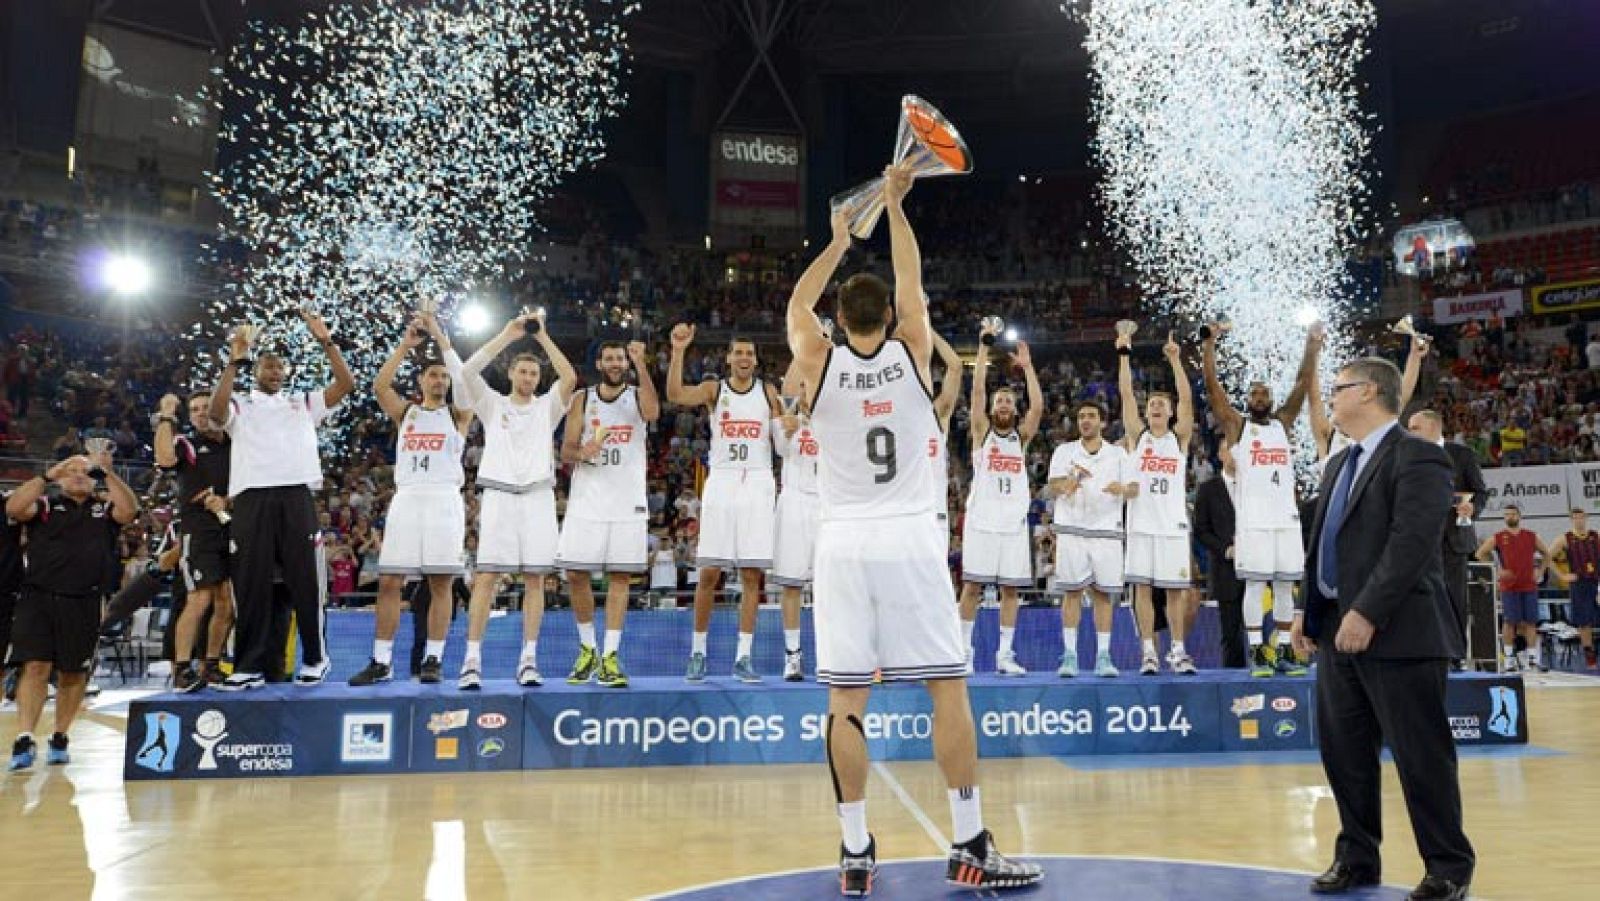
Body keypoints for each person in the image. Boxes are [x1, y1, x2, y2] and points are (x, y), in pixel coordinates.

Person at [787, 168, 1041, 894]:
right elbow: (913, 287)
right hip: (909, 536)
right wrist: (897, 207)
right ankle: (969, 841)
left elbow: (798, 303)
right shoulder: (910, 352)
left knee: (844, 702)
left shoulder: (816, 360)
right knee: (947, 688)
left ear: (839, 320)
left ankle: (855, 849)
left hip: (841, 541)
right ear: (889, 320)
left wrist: (838, 242)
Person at [1292, 356, 1474, 901]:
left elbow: (1412, 544)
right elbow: (1322, 544)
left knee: (1421, 756)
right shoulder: (1337, 464)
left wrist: (1367, 610)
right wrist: (1308, 606)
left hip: (1400, 633)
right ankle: (1356, 857)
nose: (1332, 397)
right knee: (1344, 753)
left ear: (1369, 391)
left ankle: (1448, 867)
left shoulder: (1418, 456)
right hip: (1336, 634)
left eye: (1340, 388)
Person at [208, 311, 355, 690]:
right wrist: (233, 361)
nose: (274, 371)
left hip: (295, 494)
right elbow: (214, 411)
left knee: (305, 582)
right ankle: (247, 666)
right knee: (250, 585)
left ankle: (315, 658)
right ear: (255, 370)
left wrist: (326, 340)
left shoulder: (303, 403)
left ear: (287, 373)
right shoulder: (241, 404)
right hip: (251, 499)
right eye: (267, 366)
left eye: (279, 367)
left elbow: (346, 383)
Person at [453, 310, 576, 689]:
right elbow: (466, 373)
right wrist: (507, 336)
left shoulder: (547, 407)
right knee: (487, 577)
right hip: (501, 496)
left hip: (538, 497)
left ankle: (528, 660)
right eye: (523, 372)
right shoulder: (491, 405)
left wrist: (542, 338)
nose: (529, 377)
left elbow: (569, 377)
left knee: (536, 580)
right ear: (511, 374)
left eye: (534, 373)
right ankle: (471, 661)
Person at [348, 318, 473, 686]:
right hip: (407, 500)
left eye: (443, 376)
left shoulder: (458, 414)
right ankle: (381, 661)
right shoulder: (407, 412)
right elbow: (379, 385)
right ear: (421, 381)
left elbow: (465, 385)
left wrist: (441, 340)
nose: (440, 381)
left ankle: (433, 658)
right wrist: (405, 346)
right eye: (432, 375)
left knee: (440, 583)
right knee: (389, 582)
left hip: (443, 500)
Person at [7, 451, 139, 769]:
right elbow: (13, 508)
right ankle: (25, 736)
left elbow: (130, 510)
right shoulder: (46, 506)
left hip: (85, 601)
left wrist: (106, 472)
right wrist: (47, 476)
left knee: (73, 672)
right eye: (72, 471)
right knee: (35, 667)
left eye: (85, 471)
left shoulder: (104, 509)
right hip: (39, 597)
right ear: (61, 477)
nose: (79, 475)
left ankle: (60, 736)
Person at [1202, 321, 1316, 676]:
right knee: (1254, 584)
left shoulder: (1283, 422)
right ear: (1248, 401)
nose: (1260, 398)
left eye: (1264, 394)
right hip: (1252, 522)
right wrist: (1209, 347)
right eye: (1254, 395)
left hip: (1286, 520)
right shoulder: (1238, 426)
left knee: (1285, 586)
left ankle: (1281, 650)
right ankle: (1257, 652)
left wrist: (1312, 346)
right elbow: (1213, 389)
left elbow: (1301, 383)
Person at [666, 325, 780, 683]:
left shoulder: (769, 392)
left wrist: (790, 424)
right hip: (723, 480)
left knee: (751, 575)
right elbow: (675, 394)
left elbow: (783, 439)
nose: (744, 358)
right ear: (728, 358)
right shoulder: (715, 388)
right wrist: (679, 350)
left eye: (749, 353)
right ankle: (697, 652)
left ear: (756, 360)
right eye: (738, 353)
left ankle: (743, 657)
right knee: (709, 574)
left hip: (758, 480)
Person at [557, 340, 660, 689]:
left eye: (621, 359)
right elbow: (566, 451)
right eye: (610, 358)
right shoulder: (582, 399)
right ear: (599, 362)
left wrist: (641, 364)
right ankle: (588, 648)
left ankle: (611, 657)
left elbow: (653, 412)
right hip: (588, 499)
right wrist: (583, 452)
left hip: (627, 500)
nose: (617, 363)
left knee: (620, 578)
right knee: (575, 574)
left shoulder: (636, 393)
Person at [958, 326, 1042, 676]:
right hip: (981, 523)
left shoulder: (1020, 438)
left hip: (1011, 526)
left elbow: (1037, 406)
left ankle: (1004, 655)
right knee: (972, 588)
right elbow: (977, 390)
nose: (1004, 404)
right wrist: (982, 349)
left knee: (1011, 591)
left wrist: (1028, 367)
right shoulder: (982, 432)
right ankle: (963, 652)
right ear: (992, 409)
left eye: (1008, 401)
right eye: (1000, 401)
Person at [1117, 330, 1197, 675]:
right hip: (1141, 524)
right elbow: (1125, 393)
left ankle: (1178, 652)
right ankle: (1148, 652)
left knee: (1175, 591)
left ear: (1169, 412)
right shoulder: (1138, 436)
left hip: (1172, 525)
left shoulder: (1180, 438)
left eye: (1162, 404)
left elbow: (1187, 399)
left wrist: (1176, 359)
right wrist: (1124, 352)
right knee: (1142, 589)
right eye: (1152, 404)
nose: (1156, 407)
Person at [153, 391, 234, 692]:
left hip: (234, 528)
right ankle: (182, 668)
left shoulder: (238, 443)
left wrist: (227, 501)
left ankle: (211, 664)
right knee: (199, 599)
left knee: (227, 602)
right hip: (199, 531)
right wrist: (166, 414)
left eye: (206, 408)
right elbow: (163, 458)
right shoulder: (186, 444)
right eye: (195, 410)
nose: (201, 414)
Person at [1047, 401, 1129, 678]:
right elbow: (1052, 485)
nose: (1085, 420)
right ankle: (1070, 656)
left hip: (1106, 531)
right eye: (1081, 416)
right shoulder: (1064, 451)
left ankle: (1103, 656)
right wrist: (1064, 485)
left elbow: (1133, 488)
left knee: (1103, 594)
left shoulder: (1117, 454)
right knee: (1071, 593)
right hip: (1072, 530)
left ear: (1102, 422)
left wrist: (1123, 489)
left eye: (1091, 416)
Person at [1407, 409, 1487, 669]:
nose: (1410, 432)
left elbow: (1480, 492)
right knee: (1421, 598)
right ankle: (1425, 652)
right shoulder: (1408, 456)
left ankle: (1455, 656)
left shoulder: (1462, 455)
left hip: (1453, 540)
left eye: (1414, 427)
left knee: (1454, 598)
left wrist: (1473, 508)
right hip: (1419, 540)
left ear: (1433, 427)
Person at [770, 360, 822, 681]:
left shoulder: (833, 421)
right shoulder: (786, 419)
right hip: (793, 501)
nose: (806, 391)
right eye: (802, 385)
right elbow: (780, 449)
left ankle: (832, 654)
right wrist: (788, 431)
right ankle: (792, 656)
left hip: (827, 505)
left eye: (811, 385)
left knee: (829, 586)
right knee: (791, 584)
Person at [1475, 504, 1568, 673]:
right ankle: (1510, 660)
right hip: (1509, 587)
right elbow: (1479, 553)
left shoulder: (1531, 536)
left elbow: (1547, 554)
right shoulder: (1498, 537)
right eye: (1506, 514)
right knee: (1510, 622)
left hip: (1528, 586)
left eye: (1512, 514)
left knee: (1531, 622)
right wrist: (1497, 570)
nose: (1509, 516)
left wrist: (1540, 571)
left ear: (1519, 516)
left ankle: (1533, 659)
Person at [1193, 441, 1245, 668]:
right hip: (1226, 571)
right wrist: (1225, 549)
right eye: (1231, 450)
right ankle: (1235, 687)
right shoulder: (1208, 490)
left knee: (1262, 632)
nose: (1237, 456)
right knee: (1231, 633)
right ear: (1221, 454)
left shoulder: (1255, 486)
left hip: (1258, 569)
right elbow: (1201, 530)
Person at [1547, 508, 1600, 670]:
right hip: (1579, 583)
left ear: (1586, 518)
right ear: (1571, 519)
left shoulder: (1595, 536)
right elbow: (1547, 556)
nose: (1579, 520)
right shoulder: (1565, 538)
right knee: (1584, 623)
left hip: (1596, 581)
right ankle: (1589, 657)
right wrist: (1562, 576)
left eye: (1581, 517)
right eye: (1575, 517)